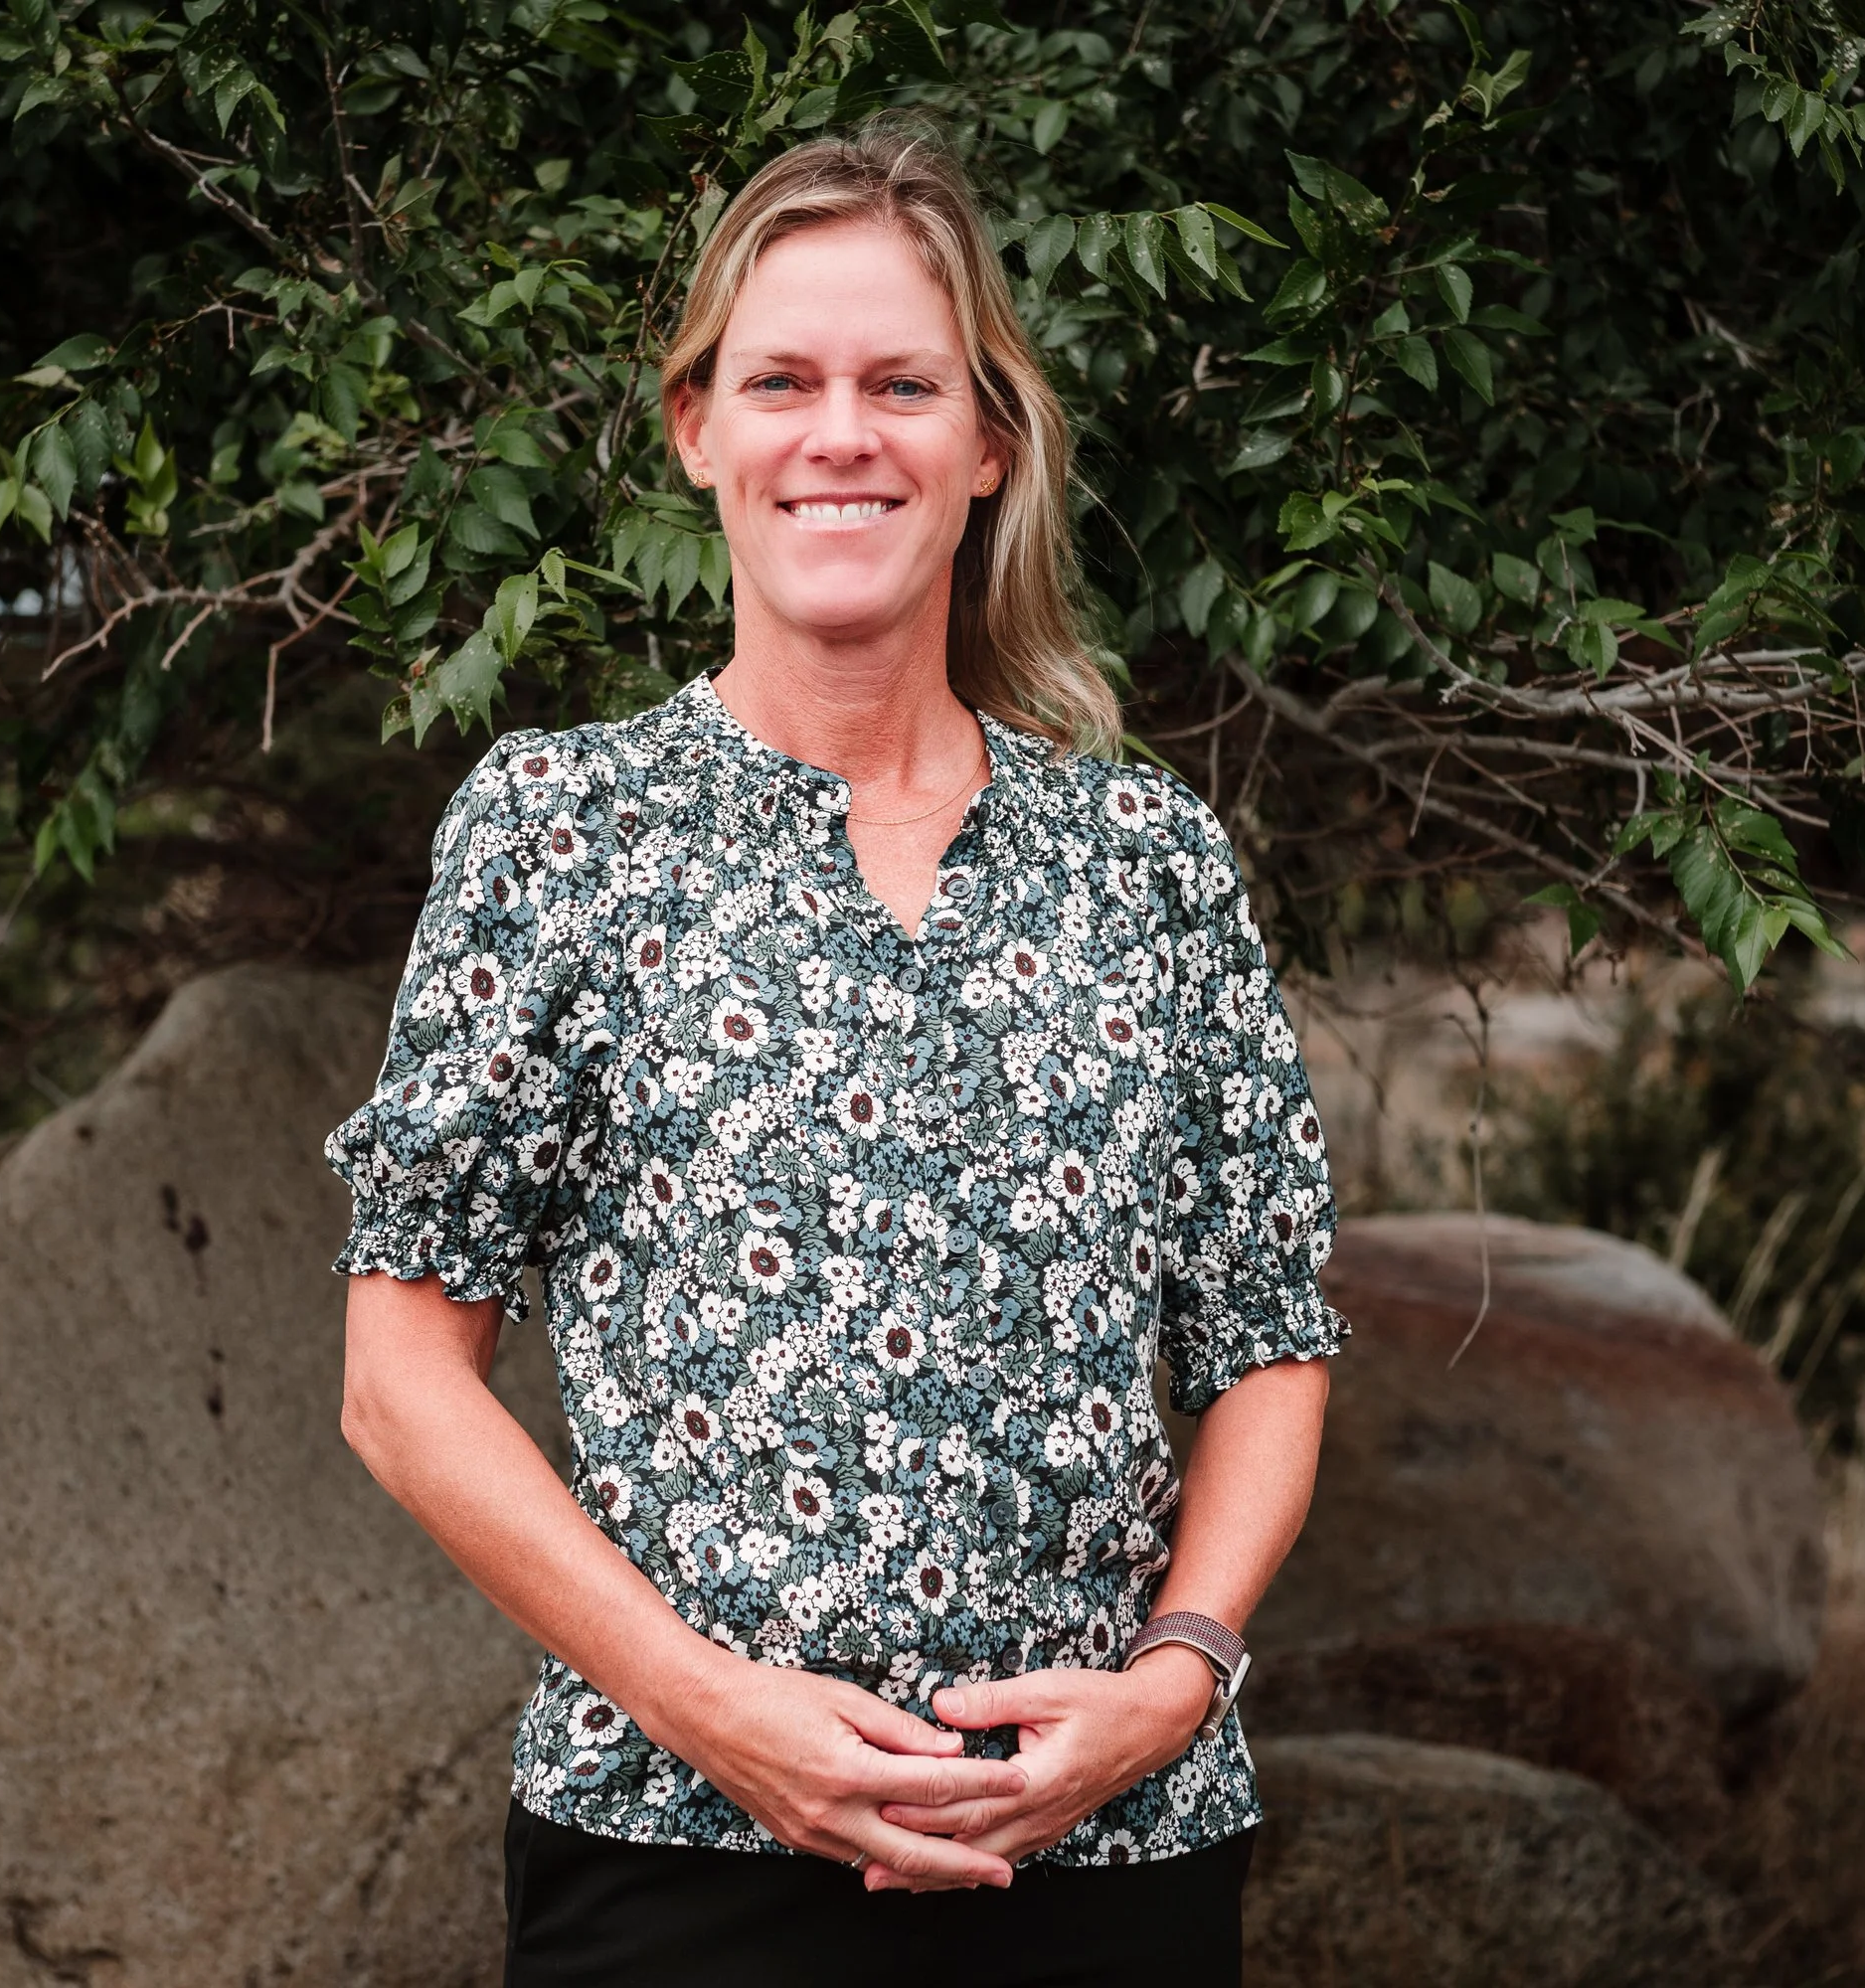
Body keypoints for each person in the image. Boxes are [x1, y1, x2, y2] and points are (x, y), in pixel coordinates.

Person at [328, 121, 1345, 1988]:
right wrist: (712, 1713)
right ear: (696, 428)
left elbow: (1267, 1337)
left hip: (1110, 1857)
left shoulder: (1147, 862)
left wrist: (1179, 1676)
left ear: (989, 445)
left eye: (902, 385)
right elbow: (399, 1385)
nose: (842, 435)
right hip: (675, 1864)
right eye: (782, 381)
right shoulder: (564, 832)